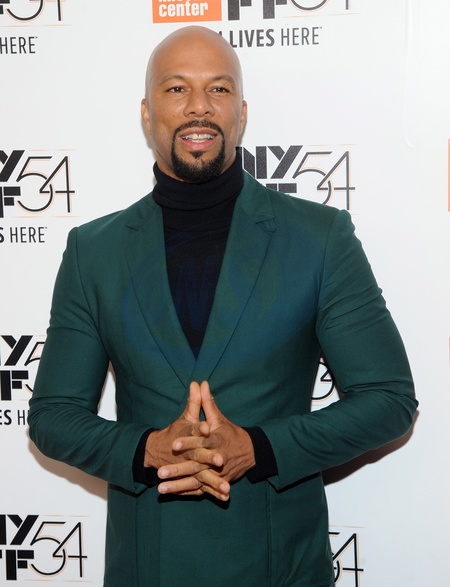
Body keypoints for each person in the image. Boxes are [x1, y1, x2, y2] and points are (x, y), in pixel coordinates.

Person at [28, 26, 417, 587]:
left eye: (219, 88)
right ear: (147, 113)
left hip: (280, 567)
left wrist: (259, 448)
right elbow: (53, 416)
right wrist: (146, 451)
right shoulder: (95, 251)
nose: (199, 106)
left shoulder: (319, 238)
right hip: (148, 566)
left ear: (241, 112)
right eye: (176, 89)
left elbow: (388, 400)